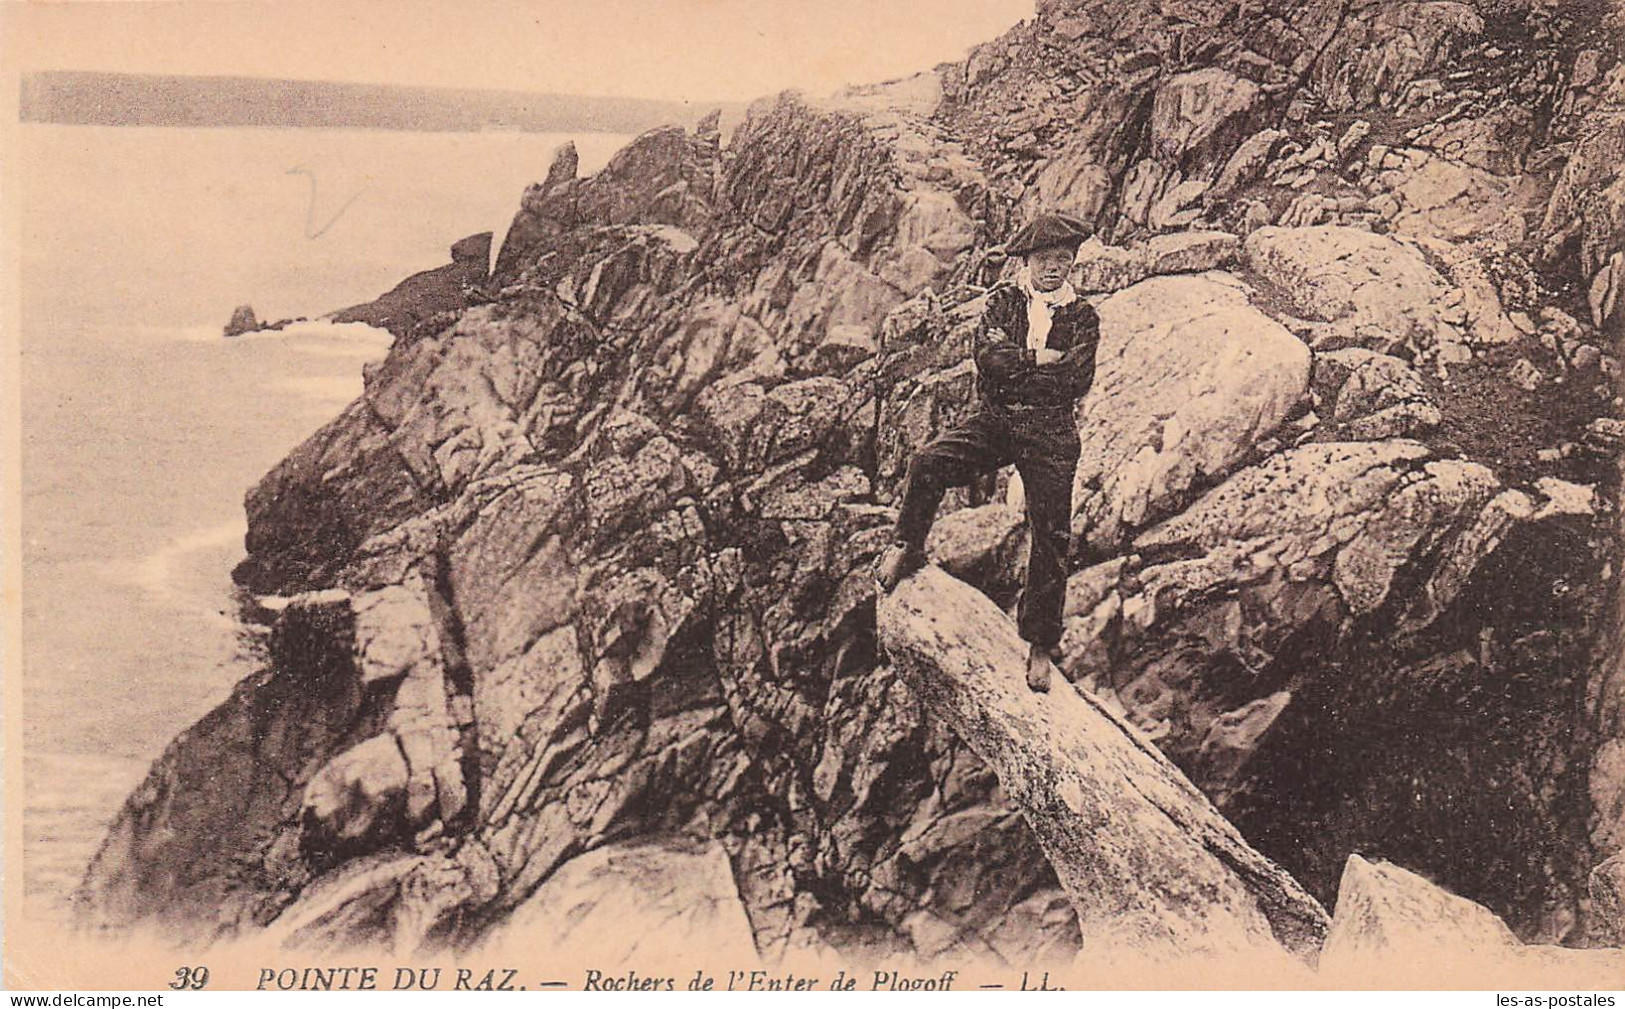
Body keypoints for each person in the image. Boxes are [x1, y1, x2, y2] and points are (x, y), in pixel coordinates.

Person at [876, 213, 1100, 693]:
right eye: (1044, 259)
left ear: (1073, 262)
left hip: (1051, 433)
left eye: (1063, 259)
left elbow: (1076, 379)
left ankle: (1040, 644)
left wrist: (1018, 370)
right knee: (929, 462)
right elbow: (988, 359)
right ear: (1027, 262)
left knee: (1051, 534)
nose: (1054, 269)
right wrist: (1036, 361)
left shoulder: (1083, 316)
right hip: (997, 420)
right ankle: (906, 546)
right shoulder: (1003, 301)